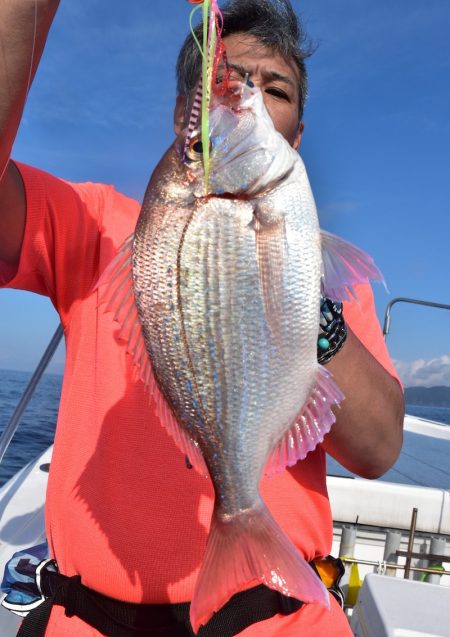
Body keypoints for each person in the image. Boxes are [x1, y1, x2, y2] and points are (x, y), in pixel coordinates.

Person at [0, 0, 404, 635]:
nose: (250, 94)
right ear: (184, 114)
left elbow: (380, 448)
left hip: (279, 619)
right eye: (228, 81)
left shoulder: (322, 278)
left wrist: (309, 309)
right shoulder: (99, 224)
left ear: (295, 134)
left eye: (277, 90)